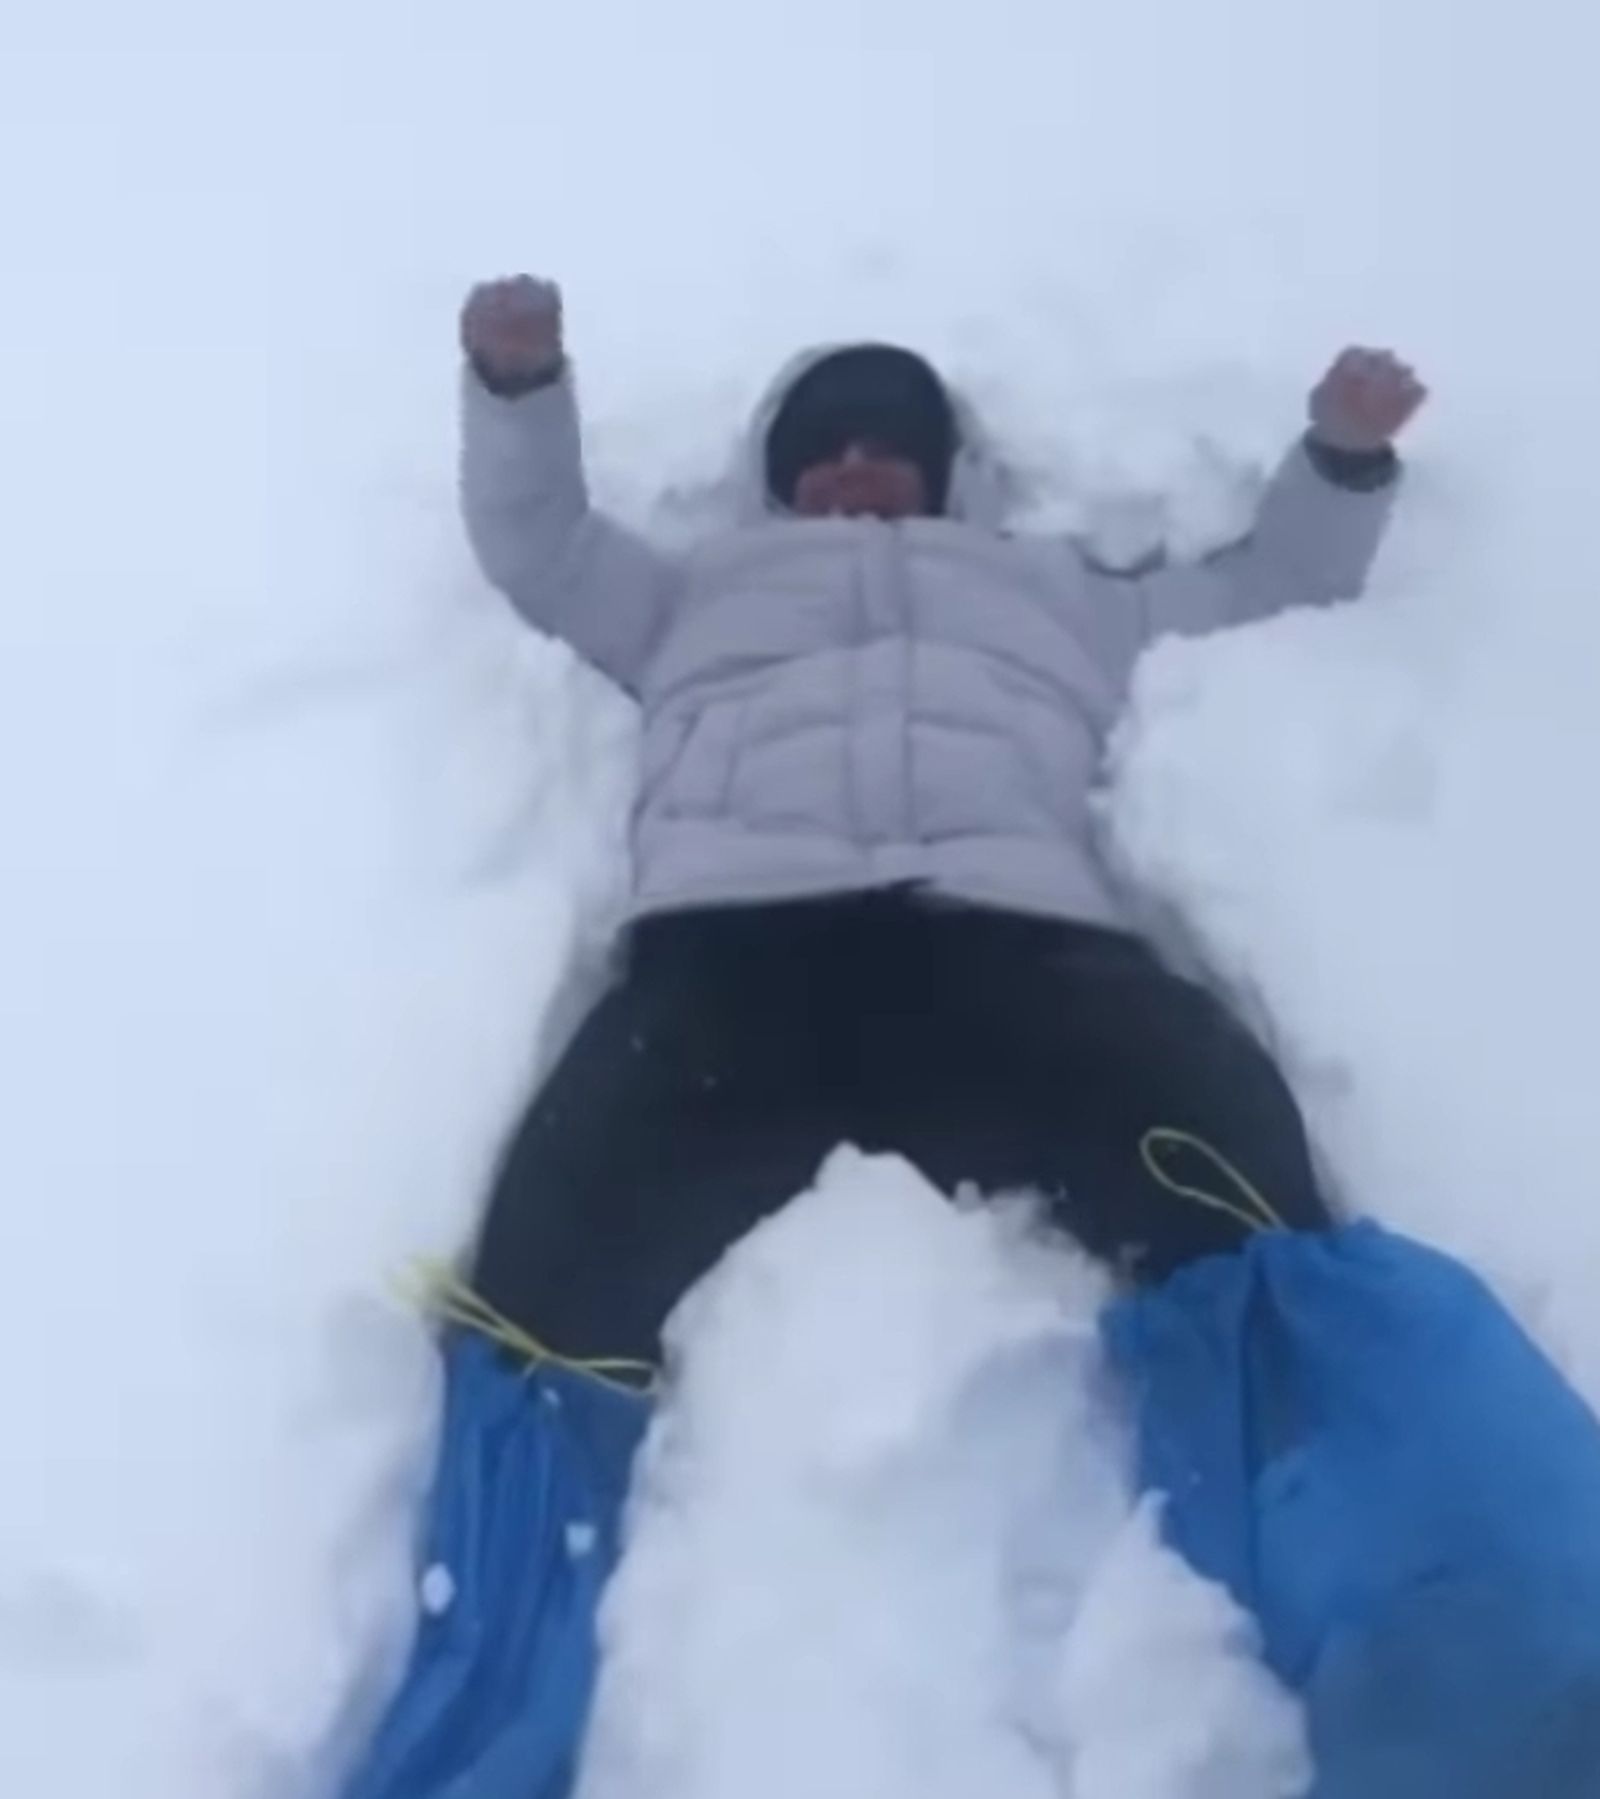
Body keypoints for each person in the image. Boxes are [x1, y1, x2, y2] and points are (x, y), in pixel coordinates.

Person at [457, 273, 1428, 1368]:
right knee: (554, 1249)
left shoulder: (1063, 593)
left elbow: (1275, 583)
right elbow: (541, 548)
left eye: (883, 443)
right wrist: (518, 386)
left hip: (1022, 955)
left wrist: (1342, 460)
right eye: (822, 447)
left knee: (1232, 1173)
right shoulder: (694, 592)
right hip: (733, 963)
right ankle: (517, 1496)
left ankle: (1334, 1440)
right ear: (777, 478)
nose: (852, 464)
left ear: (941, 469)